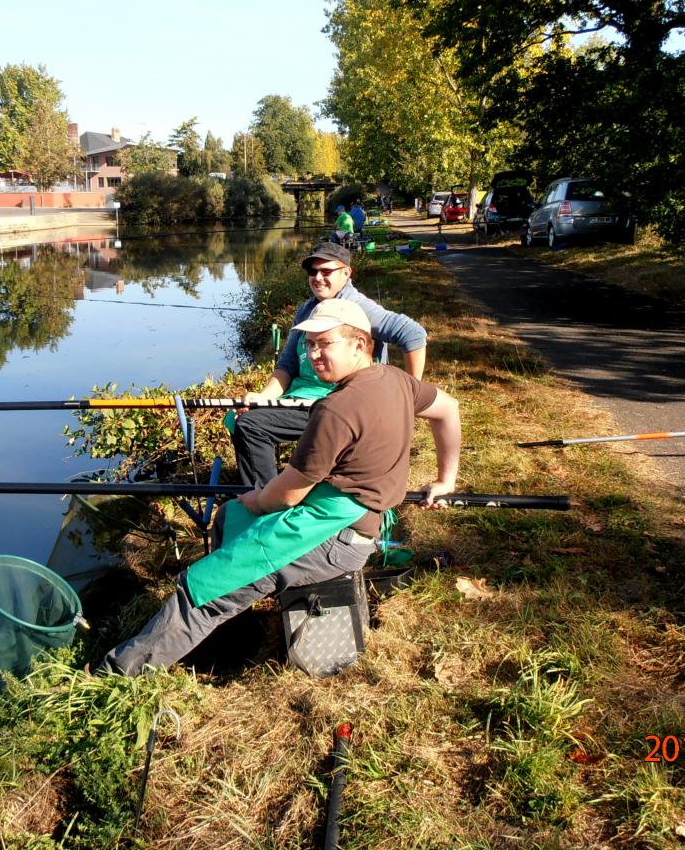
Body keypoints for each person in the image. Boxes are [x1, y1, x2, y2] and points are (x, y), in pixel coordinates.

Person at [101, 299, 461, 675]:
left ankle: (116, 675)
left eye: (326, 343)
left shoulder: (336, 409)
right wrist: (445, 479)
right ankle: (228, 634)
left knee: (201, 590)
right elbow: (448, 409)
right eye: (310, 345)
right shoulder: (397, 380)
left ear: (360, 344)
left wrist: (257, 498)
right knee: (229, 515)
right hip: (343, 517)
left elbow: (288, 494)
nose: (315, 354)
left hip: (335, 536)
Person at [231, 241, 428, 487]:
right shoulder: (306, 309)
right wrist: (264, 396)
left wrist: (409, 398)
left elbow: (413, 335)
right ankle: (280, 482)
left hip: (336, 402)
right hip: (302, 397)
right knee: (242, 415)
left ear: (346, 273)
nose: (318, 278)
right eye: (313, 272)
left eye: (327, 271)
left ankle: (267, 501)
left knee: (251, 425)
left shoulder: (359, 307)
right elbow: (288, 364)